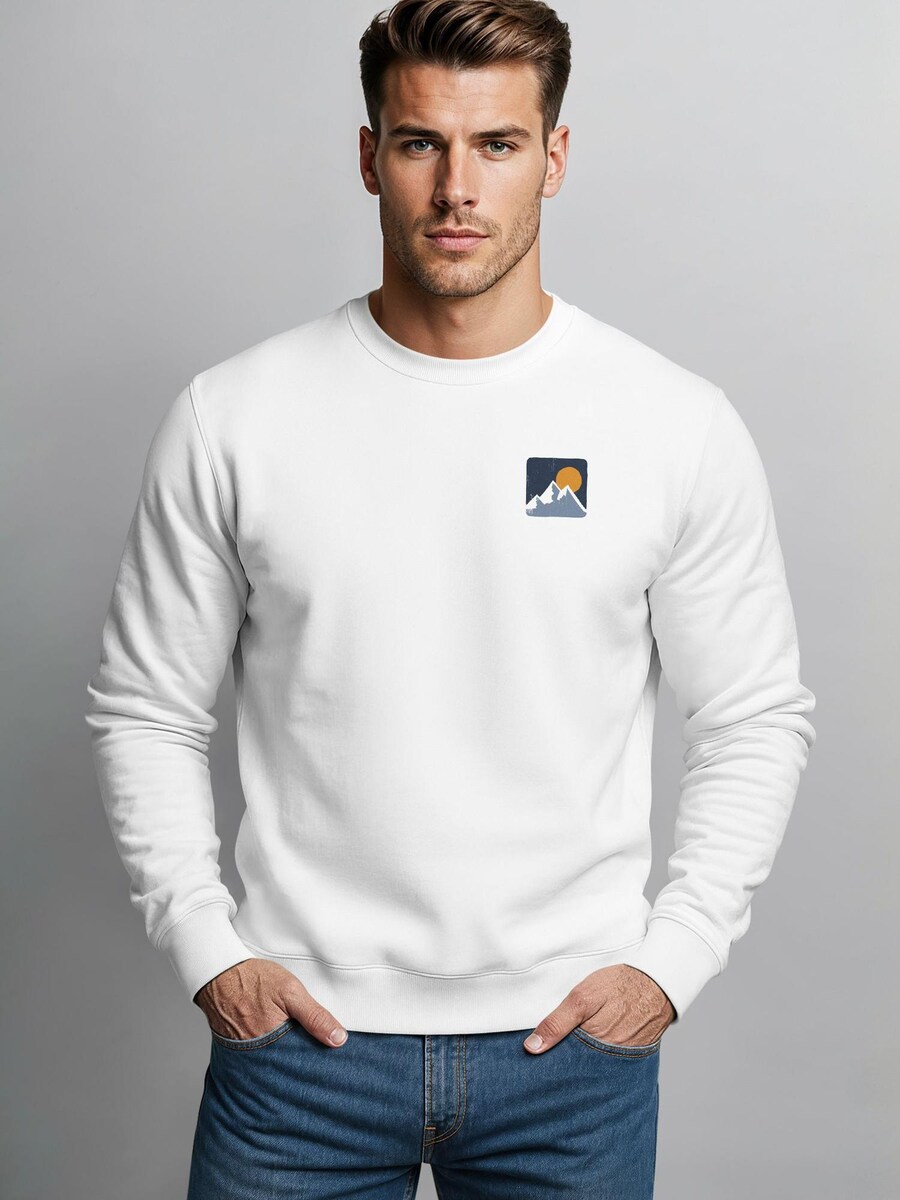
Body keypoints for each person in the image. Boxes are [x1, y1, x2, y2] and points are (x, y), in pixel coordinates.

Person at [84, 1, 816, 1196]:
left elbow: (754, 717)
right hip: (298, 1053)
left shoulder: (671, 423)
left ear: (555, 158)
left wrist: (671, 963)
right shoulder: (238, 416)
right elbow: (145, 709)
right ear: (369, 156)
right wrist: (210, 950)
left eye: (499, 144)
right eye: (421, 142)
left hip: (572, 1057)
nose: (456, 188)